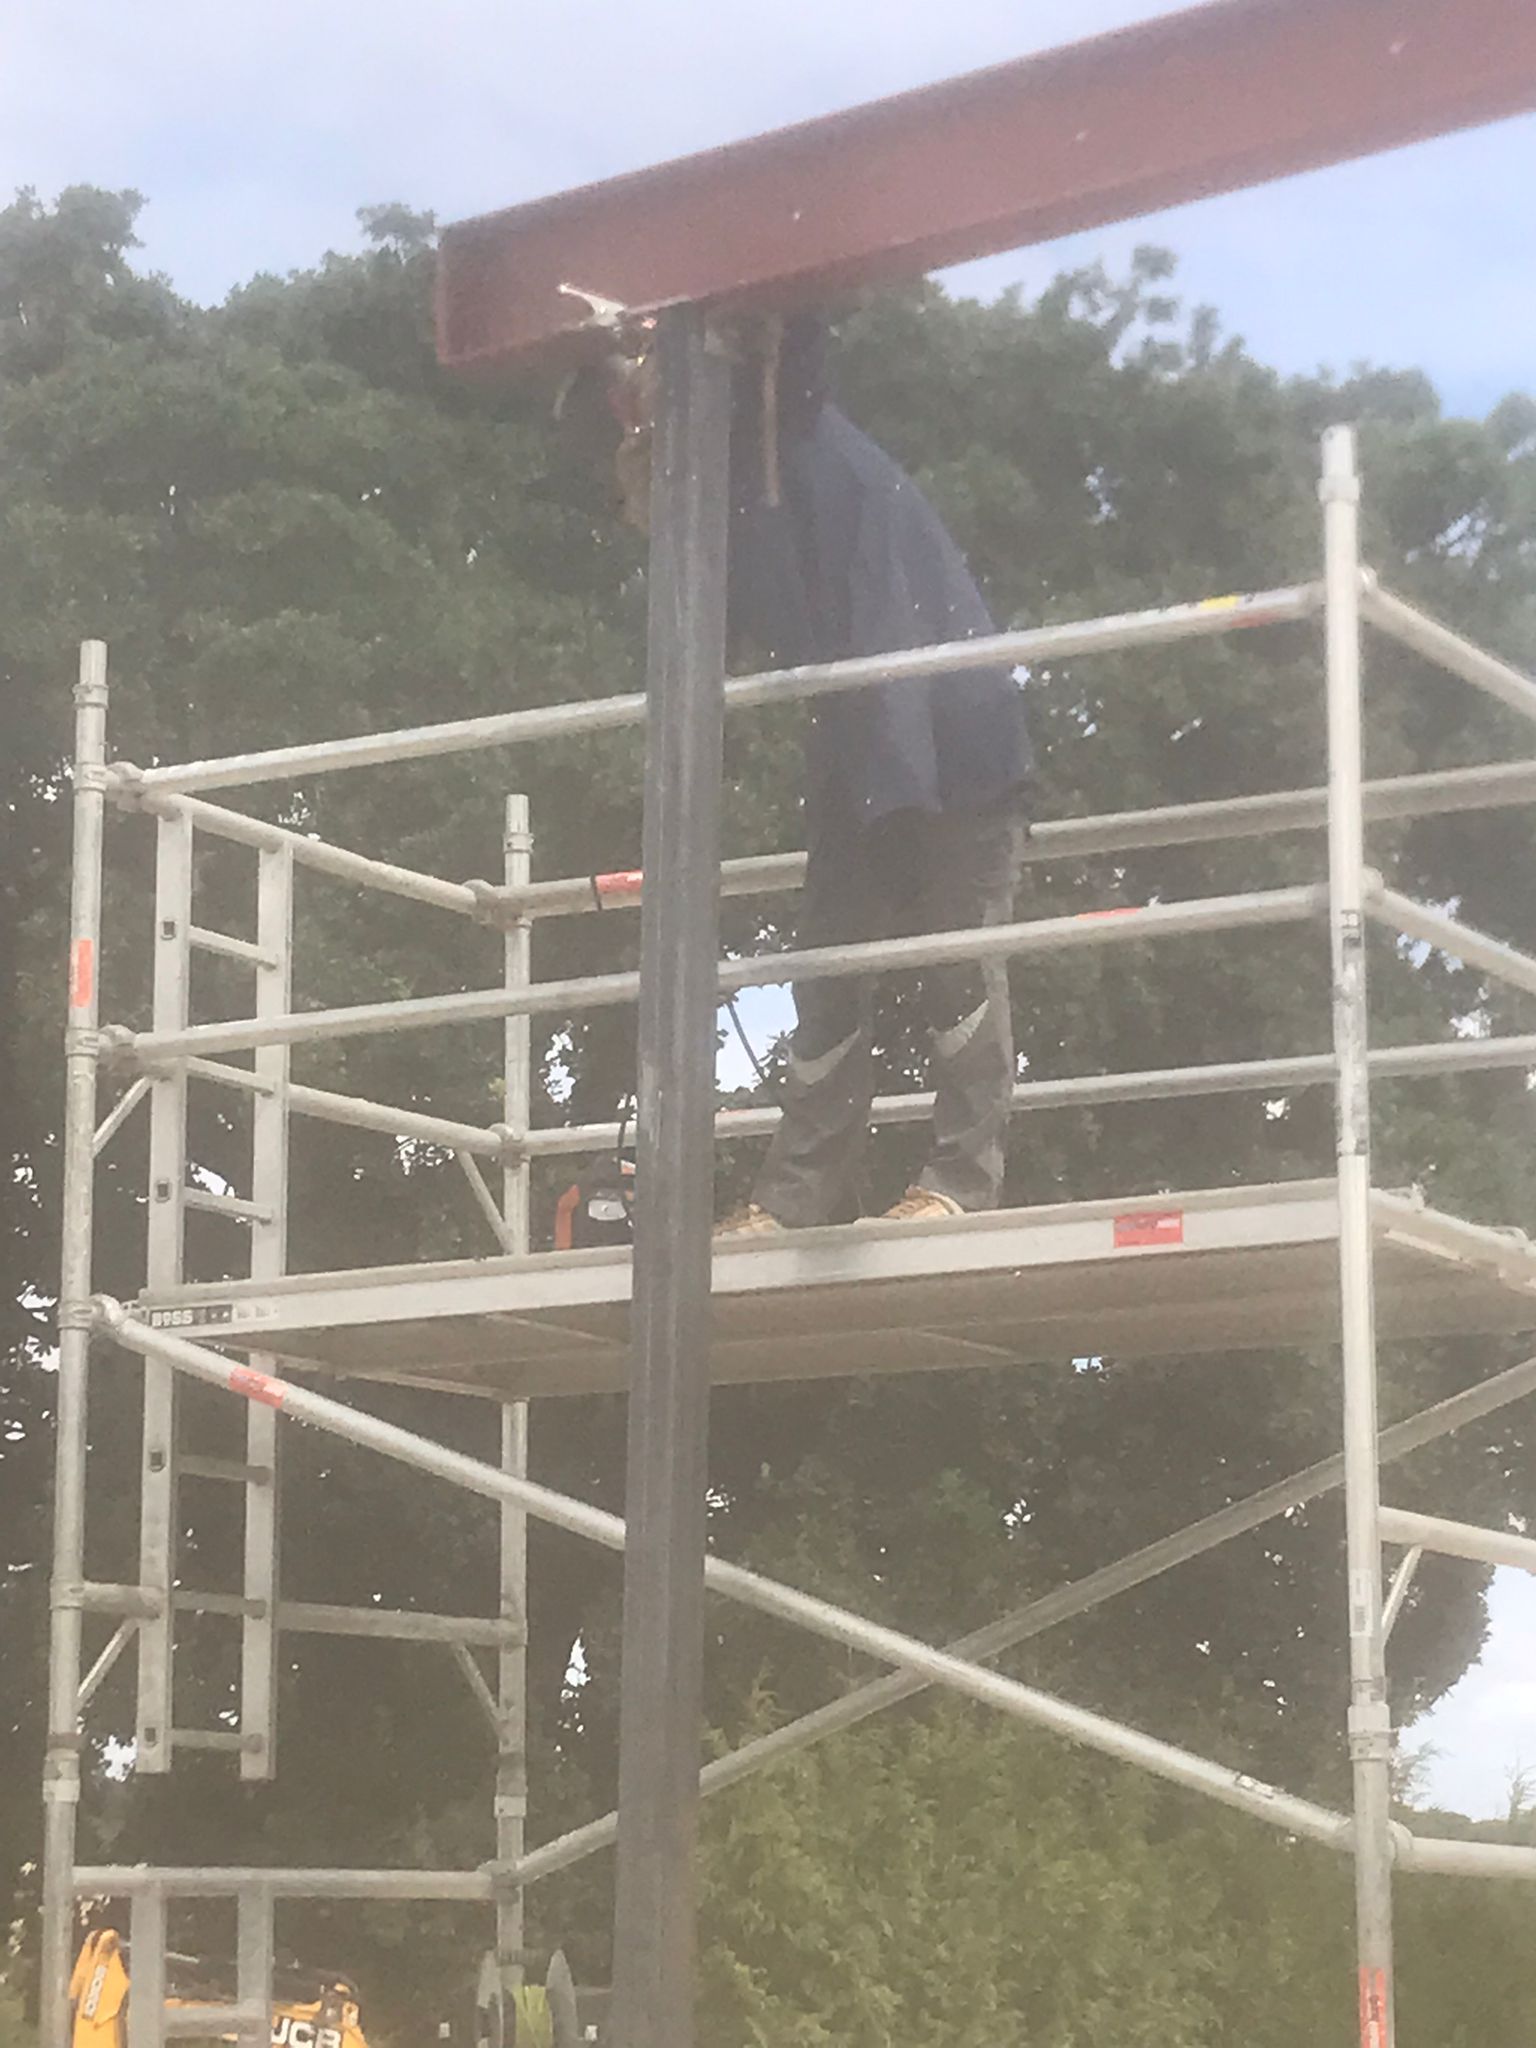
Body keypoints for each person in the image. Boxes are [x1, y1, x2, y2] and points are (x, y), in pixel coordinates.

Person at [601, 313, 1034, 1231]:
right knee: (827, 965)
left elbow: (792, 348)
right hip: (859, 739)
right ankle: (798, 1195)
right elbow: (710, 643)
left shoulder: (781, 430)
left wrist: (742, 304)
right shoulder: (719, 514)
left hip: (954, 735)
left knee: (952, 957)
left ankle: (961, 1183)